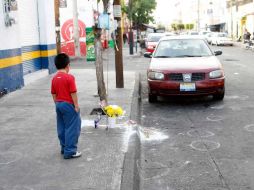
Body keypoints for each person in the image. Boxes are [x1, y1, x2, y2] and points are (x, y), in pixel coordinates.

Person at [51, 53, 82, 159]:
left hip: (58, 104)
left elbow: (53, 93)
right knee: (72, 127)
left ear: (56, 66)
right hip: (68, 104)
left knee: (62, 127)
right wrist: (76, 105)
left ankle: (64, 148)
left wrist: (57, 103)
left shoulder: (54, 78)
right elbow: (73, 92)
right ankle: (70, 151)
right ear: (68, 65)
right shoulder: (69, 78)